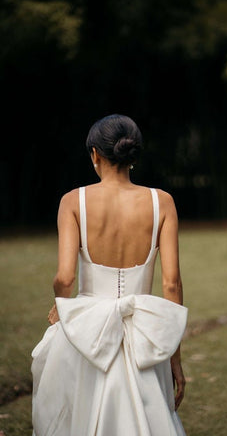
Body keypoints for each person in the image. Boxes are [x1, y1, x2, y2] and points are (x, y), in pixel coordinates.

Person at [31, 114, 188, 436]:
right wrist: (174, 356)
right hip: (144, 334)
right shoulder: (163, 202)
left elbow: (65, 277)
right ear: (133, 154)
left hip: (86, 330)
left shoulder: (73, 201)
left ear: (95, 154)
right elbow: (171, 283)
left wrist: (63, 308)